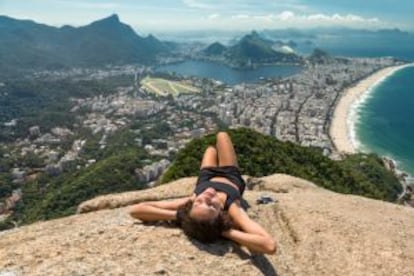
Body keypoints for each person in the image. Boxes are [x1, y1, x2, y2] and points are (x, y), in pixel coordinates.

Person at [129, 131, 276, 255]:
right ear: (221, 215)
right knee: (222, 135)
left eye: (199, 202)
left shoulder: (189, 204)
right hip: (230, 175)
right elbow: (269, 246)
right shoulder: (233, 210)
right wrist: (224, 231)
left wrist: (179, 216)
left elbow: (136, 210)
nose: (207, 196)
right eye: (211, 205)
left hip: (207, 176)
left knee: (210, 149)